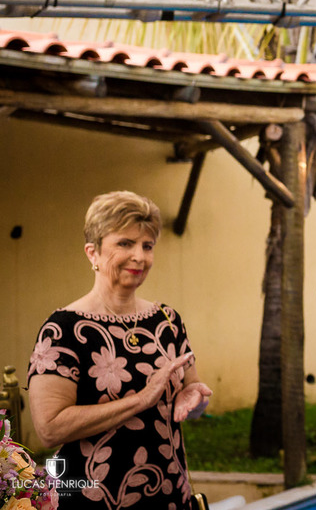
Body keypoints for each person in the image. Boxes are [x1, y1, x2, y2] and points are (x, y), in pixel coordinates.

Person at [28, 191, 211, 509]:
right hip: (91, 499)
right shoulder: (63, 330)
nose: (139, 256)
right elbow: (49, 428)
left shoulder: (167, 320)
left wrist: (193, 398)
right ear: (93, 253)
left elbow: (192, 390)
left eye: (147, 245)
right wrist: (142, 399)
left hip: (170, 497)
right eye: (125, 244)